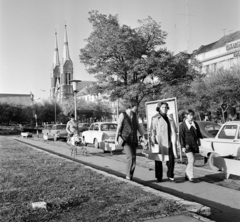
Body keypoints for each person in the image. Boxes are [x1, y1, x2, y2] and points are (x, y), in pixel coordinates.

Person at [115, 101, 146, 180]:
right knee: (130, 157)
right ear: (132, 106)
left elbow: (138, 126)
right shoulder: (123, 115)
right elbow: (119, 127)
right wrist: (116, 139)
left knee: (134, 158)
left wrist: (144, 137)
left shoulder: (135, 115)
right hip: (126, 139)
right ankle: (128, 175)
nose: (137, 108)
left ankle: (131, 175)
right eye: (136, 106)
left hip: (133, 139)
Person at [148, 102, 178, 182]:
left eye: (165, 107)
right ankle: (159, 176)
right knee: (158, 159)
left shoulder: (170, 117)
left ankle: (170, 174)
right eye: (162, 107)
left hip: (170, 140)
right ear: (159, 108)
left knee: (171, 159)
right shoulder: (155, 118)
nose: (164, 109)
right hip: (159, 141)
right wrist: (153, 139)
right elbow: (152, 129)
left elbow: (174, 129)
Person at [179, 109, 202, 182]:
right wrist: (182, 146)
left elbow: (198, 134)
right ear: (186, 115)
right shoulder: (182, 125)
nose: (192, 117)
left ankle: (186, 173)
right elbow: (181, 136)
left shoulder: (195, 123)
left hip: (194, 144)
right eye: (190, 115)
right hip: (187, 145)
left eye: (192, 115)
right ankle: (190, 176)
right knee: (191, 159)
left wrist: (199, 142)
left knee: (191, 160)